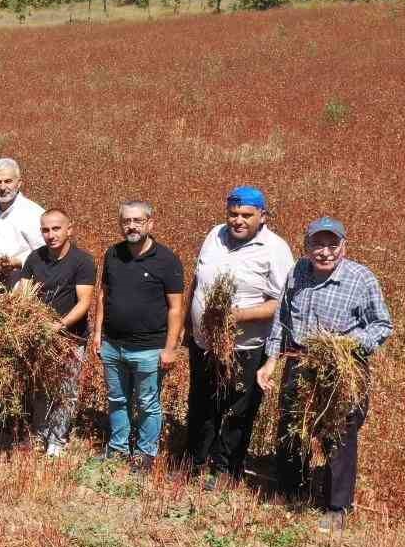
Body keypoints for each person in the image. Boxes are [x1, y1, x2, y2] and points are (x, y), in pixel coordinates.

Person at [257, 218, 392, 533]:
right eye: (318, 244)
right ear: (306, 246)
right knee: (293, 426)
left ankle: (336, 506)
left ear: (345, 245)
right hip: (300, 360)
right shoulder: (298, 273)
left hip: (341, 364)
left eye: (332, 244)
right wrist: (270, 361)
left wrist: (348, 345)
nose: (325, 252)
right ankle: (291, 490)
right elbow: (282, 319)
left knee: (339, 433)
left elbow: (382, 325)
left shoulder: (361, 278)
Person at [185, 187, 295, 486]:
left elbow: (282, 304)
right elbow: (196, 281)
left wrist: (238, 315)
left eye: (247, 215)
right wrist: (188, 324)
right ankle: (194, 461)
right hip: (204, 342)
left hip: (245, 346)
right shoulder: (214, 235)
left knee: (238, 409)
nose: (238, 221)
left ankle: (224, 469)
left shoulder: (275, 249)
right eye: (233, 214)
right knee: (202, 403)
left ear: (263, 216)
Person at [93, 201, 185, 473]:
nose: (131, 226)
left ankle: (146, 454)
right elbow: (103, 295)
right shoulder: (113, 254)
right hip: (113, 344)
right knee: (117, 398)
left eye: (137, 221)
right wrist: (99, 334)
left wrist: (170, 348)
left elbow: (176, 307)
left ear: (150, 224)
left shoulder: (167, 260)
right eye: (126, 221)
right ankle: (118, 447)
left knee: (148, 403)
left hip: (149, 349)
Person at [17, 209, 96, 457]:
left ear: (69, 229)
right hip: (41, 335)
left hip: (71, 337)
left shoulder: (82, 261)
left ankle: (57, 440)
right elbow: (25, 293)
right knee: (40, 386)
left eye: (56, 228)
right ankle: (39, 432)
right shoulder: (34, 259)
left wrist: (59, 325)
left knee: (67, 389)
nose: (50, 235)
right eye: (45, 230)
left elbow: (84, 302)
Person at [0, 157, 45, 268]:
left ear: (19, 183)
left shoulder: (34, 213)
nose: (2, 187)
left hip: (21, 277)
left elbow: (45, 253)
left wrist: (17, 262)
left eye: (8, 181)